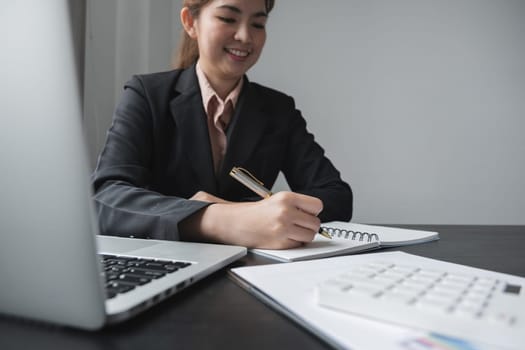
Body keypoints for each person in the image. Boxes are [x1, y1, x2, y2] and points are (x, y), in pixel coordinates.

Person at [92, 0, 352, 249]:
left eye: (258, 24)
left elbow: (336, 196)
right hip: (166, 263)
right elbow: (107, 197)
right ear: (190, 22)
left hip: (255, 270)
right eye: (228, 18)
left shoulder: (278, 109)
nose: (245, 36)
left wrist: (248, 211)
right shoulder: (147, 95)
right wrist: (216, 219)